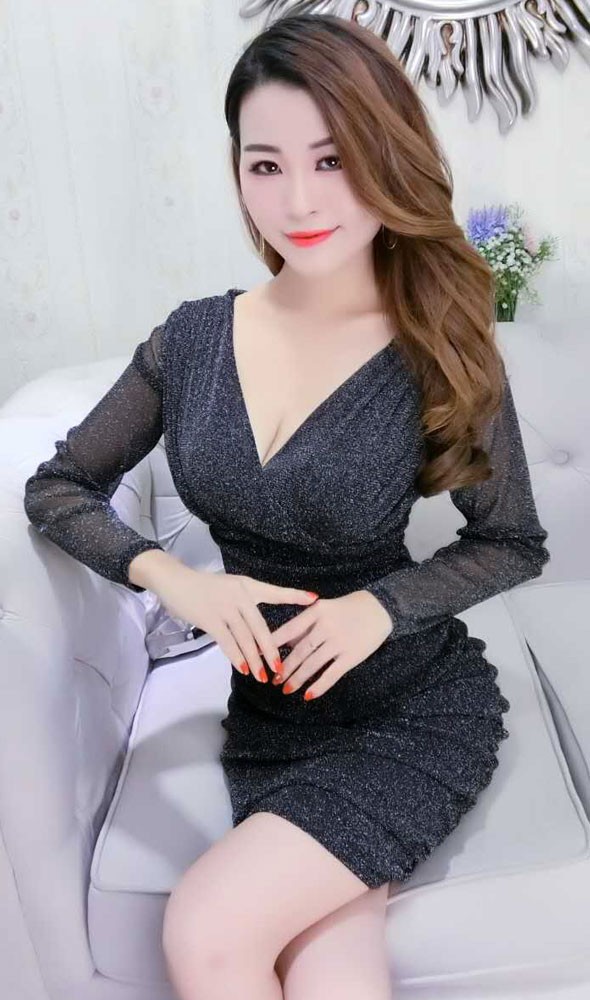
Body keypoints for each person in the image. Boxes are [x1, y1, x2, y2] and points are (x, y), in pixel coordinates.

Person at [23, 13, 550, 1000]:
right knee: (331, 969)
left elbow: (512, 541)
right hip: (274, 719)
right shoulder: (190, 343)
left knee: (208, 925)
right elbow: (56, 487)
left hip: (412, 706)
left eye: (332, 159)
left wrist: (377, 609)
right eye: (265, 165)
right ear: (237, 174)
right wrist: (174, 578)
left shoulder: (437, 343)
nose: (298, 200)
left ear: (386, 158)